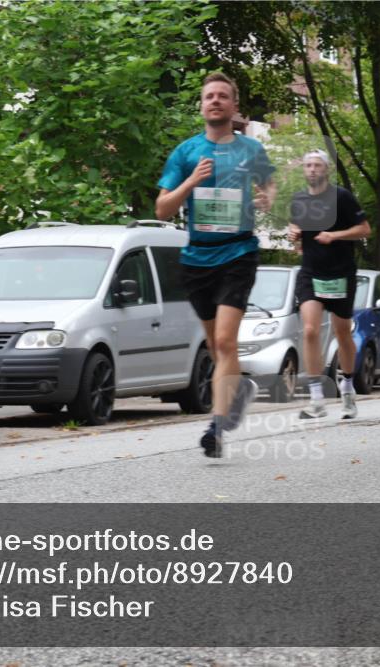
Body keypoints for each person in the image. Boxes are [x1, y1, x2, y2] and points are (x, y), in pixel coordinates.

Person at [155, 72, 276, 457]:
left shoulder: (250, 150)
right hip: (197, 259)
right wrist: (191, 181)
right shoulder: (187, 152)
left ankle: (217, 427)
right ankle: (237, 389)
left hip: (238, 252)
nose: (216, 101)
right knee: (214, 345)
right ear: (202, 105)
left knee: (225, 341)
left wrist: (265, 198)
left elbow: (268, 184)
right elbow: (162, 209)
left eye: (224, 96)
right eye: (210, 96)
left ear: (234, 106)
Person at [287, 150, 370, 420]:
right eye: (308, 165)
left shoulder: (342, 197)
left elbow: (364, 229)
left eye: (317, 165)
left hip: (341, 273)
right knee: (310, 330)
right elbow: (296, 235)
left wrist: (335, 235)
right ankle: (316, 399)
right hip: (311, 272)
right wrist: (294, 233)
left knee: (342, 333)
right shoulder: (299, 199)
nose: (312, 169)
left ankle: (347, 387)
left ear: (326, 170)